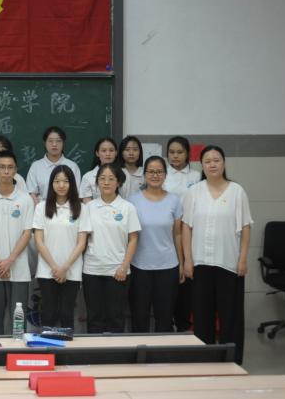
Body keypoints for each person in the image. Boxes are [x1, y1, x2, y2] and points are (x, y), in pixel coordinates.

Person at [182, 145, 252, 364]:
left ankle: (233, 362)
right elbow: (186, 227)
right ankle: (205, 361)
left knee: (231, 317)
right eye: (207, 161)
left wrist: (242, 259)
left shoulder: (237, 191)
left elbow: (246, 227)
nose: (212, 164)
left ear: (224, 163)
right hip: (200, 262)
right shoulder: (194, 191)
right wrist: (188, 260)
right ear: (201, 165)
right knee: (202, 316)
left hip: (228, 263)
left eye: (216, 160)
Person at [81, 163, 140, 333]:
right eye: (102, 179)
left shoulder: (127, 207)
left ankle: (115, 351)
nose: (106, 182)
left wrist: (124, 267)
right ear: (97, 182)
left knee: (116, 317)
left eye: (111, 179)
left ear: (119, 182)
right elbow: (83, 239)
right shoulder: (89, 207)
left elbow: (133, 239)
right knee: (94, 318)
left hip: (118, 271)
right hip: (92, 270)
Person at [0, 150, 34, 335]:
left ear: (16, 170)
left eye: (10, 167)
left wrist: (10, 260)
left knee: (18, 321)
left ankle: (18, 350)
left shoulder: (26, 199)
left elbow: (27, 232)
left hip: (18, 268)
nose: (6, 171)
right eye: (1, 167)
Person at [129, 155, 184, 333]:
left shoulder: (174, 200)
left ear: (165, 175)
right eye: (151, 171)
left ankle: (163, 350)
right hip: (139, 267)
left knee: (165, 317)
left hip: (168, 266)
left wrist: (181, 263)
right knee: (139, 317)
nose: (155, 175)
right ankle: (139, 349)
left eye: (159, 171)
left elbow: (178, 234)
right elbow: (129, 236)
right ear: (144, 175)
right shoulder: (133, 201)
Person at [32, 165, 88, 329]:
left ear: (72, 184)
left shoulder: (81, 208)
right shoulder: (41, 207)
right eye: (57, 181)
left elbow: (82, 243)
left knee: (66, 313)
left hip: (71, 270)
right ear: (52, 184)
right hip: (47, 270)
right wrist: (55, 268)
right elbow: (39, 241)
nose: (61, 185)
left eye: (66, 181)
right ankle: (47, 346)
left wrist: (64, 268)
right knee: (48, 313)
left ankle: (66, 347)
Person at [163, 135, 200, 333]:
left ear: (187, 154)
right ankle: (167, 325)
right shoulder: (163, 174)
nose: (175, 156)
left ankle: (184, 325)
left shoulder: (196, 176)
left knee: (187, 280)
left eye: (180, 152)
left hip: (190, 233)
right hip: (166, 235)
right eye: (171, 152)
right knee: (169, 283)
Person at [26, 127, 82, 204]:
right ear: (45, 143)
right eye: (50, 141)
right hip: (42, 209)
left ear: (63, 143)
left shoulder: (72, 166)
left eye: (58, 141)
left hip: (67, 208)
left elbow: (76, 193)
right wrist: (41, 209)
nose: (54, 144)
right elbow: (32, 193)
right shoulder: (36, 166)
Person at [79, 137, 119, 202]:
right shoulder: (88, 177)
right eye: (104, 151)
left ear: (116, 153)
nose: (108, 154)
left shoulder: (123, 174)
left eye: (111, 150)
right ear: (97, 153)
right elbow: (87, 203)